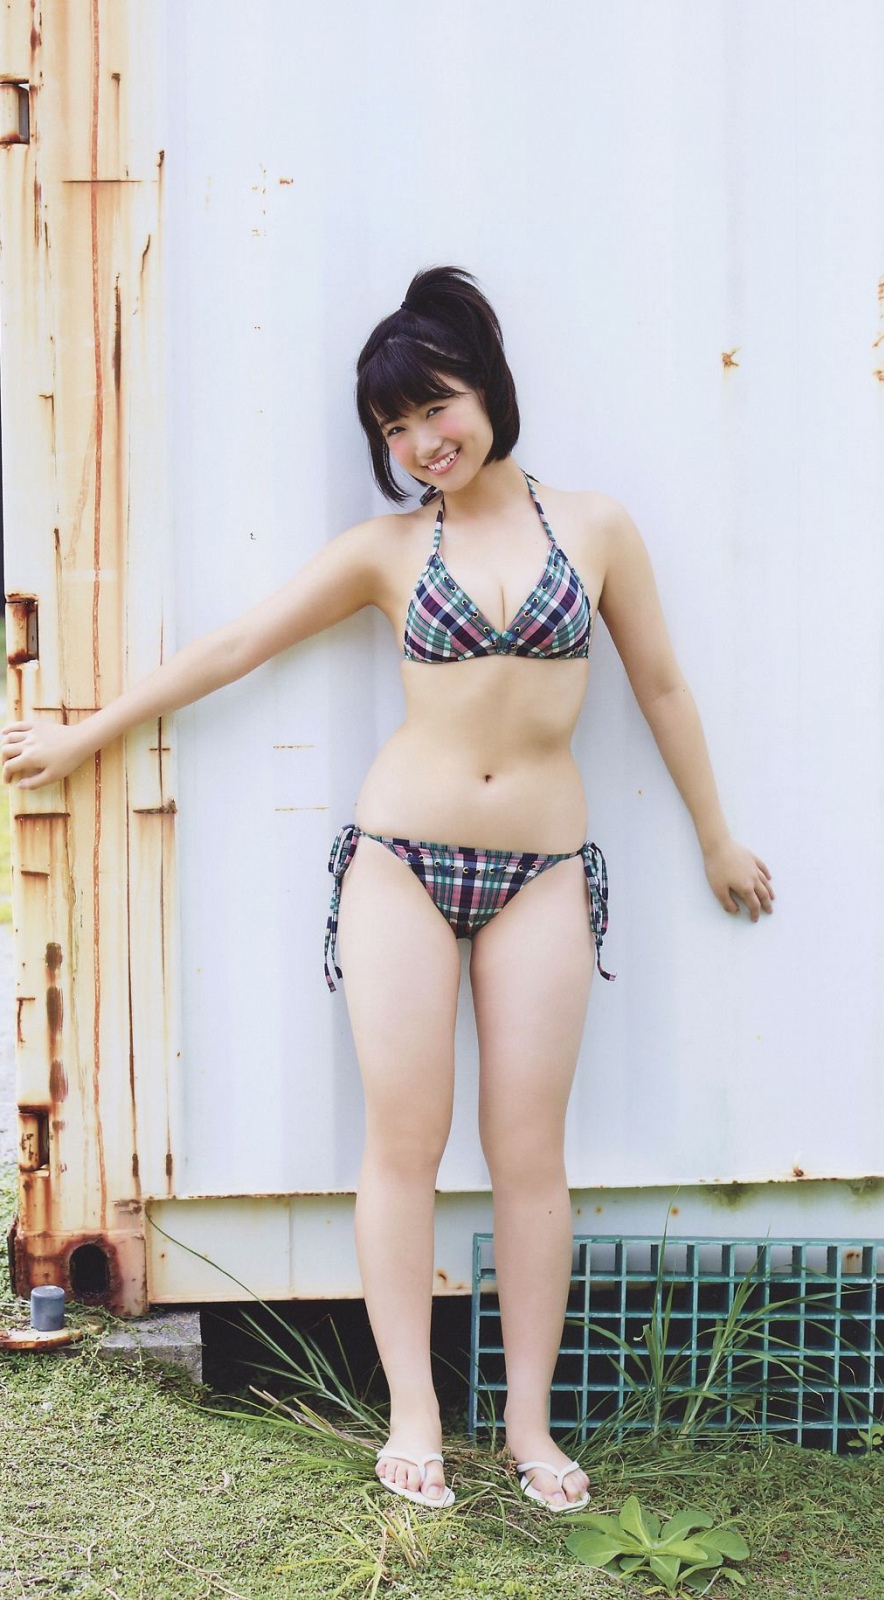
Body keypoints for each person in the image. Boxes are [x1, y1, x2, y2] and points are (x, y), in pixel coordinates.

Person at [1, 266, 774, 1512]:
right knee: (404, 1142)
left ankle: (528, 1428)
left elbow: (664, 687)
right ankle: (414, 1411)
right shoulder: (387, 550)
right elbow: (237, 644)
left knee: (529, 1153)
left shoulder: (598, 527)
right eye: (395, 427)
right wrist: (85, 734)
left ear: (489, 388)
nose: (422, 443)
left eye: (436, 407)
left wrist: (717, 836)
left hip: (543, 869)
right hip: (401, 861)